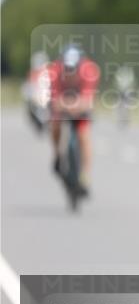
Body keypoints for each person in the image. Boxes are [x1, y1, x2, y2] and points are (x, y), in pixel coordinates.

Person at [48, 44, 101, 196]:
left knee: (84, 135)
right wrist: (65, 105)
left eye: (73, 69)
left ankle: (85, 175)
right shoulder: (54, 71)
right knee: (55, 125)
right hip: (63, 101)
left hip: (80, 104)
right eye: (67, 69)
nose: (70, 73)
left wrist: (75, 106)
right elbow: (55, 101)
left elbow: (88, 101)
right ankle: (57, 155)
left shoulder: (90, 71)